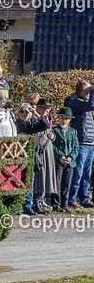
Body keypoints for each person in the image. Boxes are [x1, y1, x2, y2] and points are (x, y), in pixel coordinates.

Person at [64, 80, 94, 209]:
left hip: (90, 143)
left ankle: (84, 198)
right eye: (88, 91)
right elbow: (91, 106)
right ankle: (72, 199)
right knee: (78, 173)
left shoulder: (83, 102)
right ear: (81, 91)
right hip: (81, 142)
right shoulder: (73, 102)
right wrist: (92, 90)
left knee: (87, 173)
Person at [52, 107, 79, 212]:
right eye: (62, 118)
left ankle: (65, 204)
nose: (64, 120)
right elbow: (52, 146)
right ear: (59, 118)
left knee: (67, 184)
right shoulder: (54, 130)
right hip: (59, 161)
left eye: (67, 118)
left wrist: (71, 157)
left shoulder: (73, 132)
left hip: (70, 161)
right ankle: (56, 203)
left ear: (70, 119)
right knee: (57, 183)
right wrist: (61, 157)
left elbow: (76, 147)